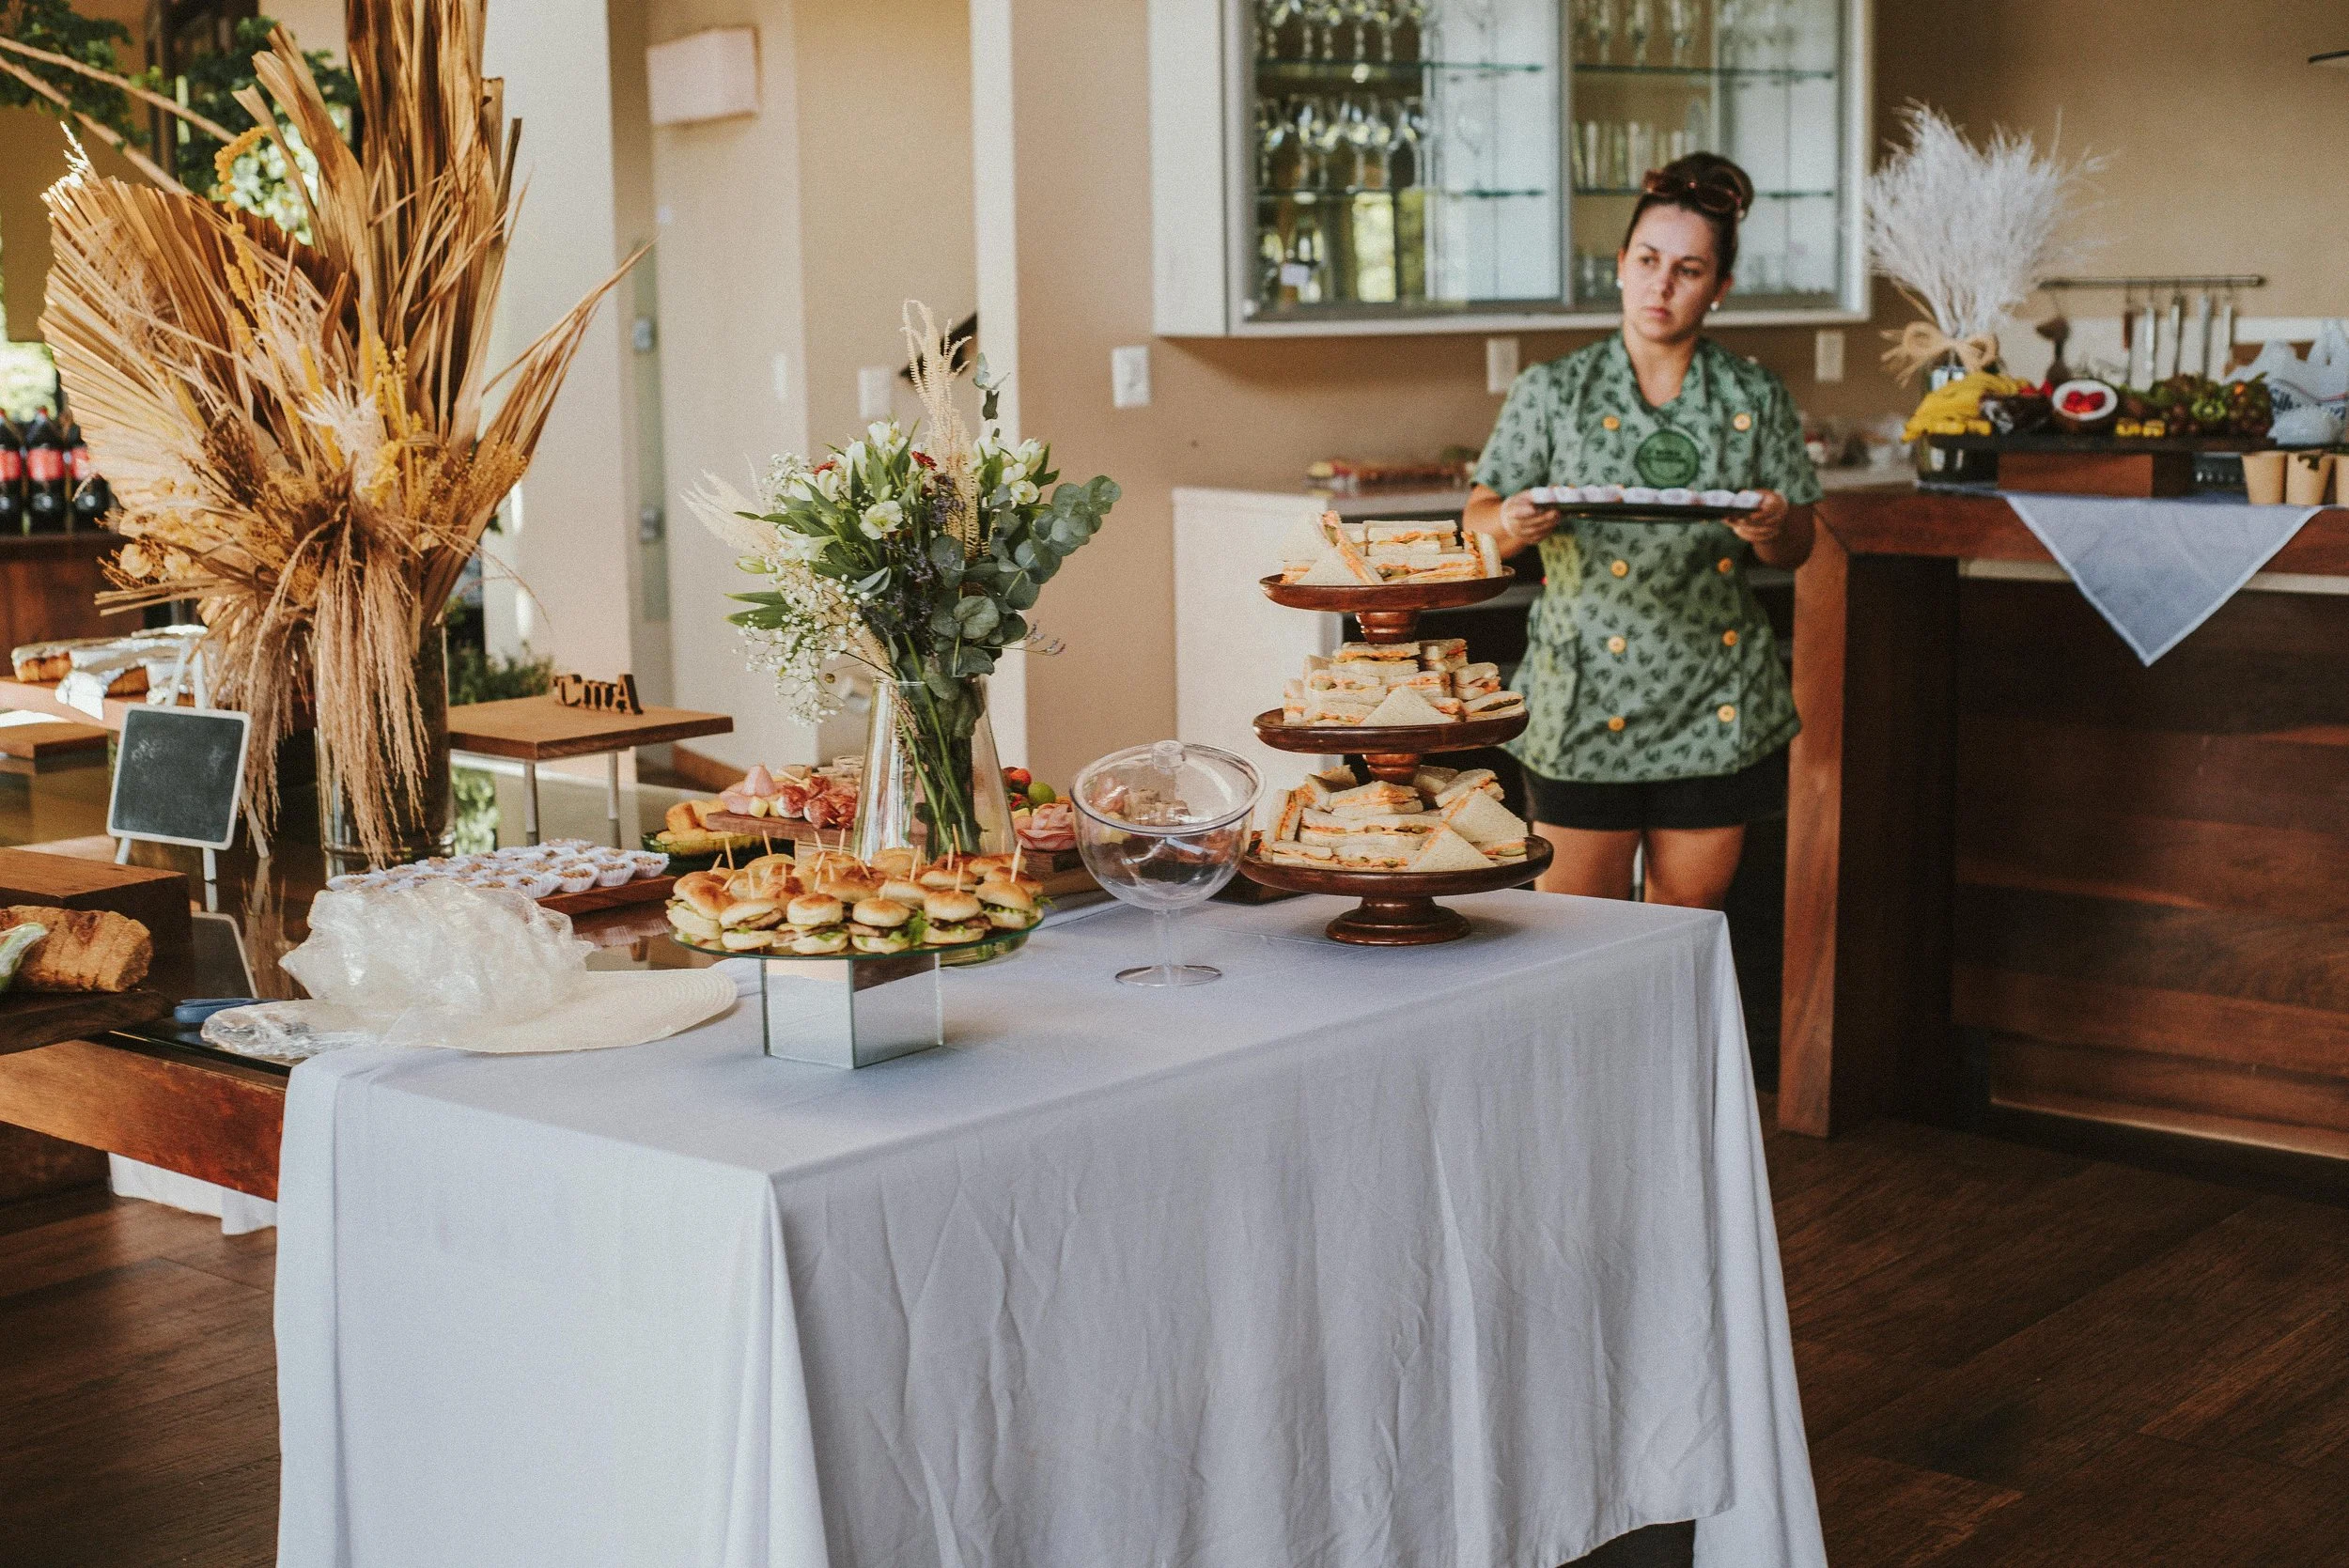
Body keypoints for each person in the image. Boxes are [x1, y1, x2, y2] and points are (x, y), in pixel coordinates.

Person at [1463, 152, 1818, 910]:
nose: (1662, 285)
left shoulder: (1754, 394)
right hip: (1582, 695)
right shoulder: (1552, 390)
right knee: (1575, 936)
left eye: (1689, 270)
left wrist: (1772, 524)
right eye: (1649, 261)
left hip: (1716, 698)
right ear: (1620, 265)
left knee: (1682, 935)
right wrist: (1515, 522)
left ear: (1719, 288)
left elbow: (1798, 545)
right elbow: (1478, 525)